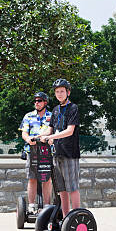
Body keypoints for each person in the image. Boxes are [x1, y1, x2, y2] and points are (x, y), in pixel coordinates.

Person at [40, 79, 81, 216]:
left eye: (62, 91)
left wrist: (50, 138)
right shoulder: (55, 110)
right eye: (57, 92)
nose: (59, 94)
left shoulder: (73, 108)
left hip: (70, 154)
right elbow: (50, 129)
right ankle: (66, 218)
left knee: (72, 188)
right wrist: (38, 136)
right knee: (61, 189)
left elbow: (70, 131)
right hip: (57, 154)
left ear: (67, 92)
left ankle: (76, 217)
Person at [20, 92, 53, 212]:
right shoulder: (28, 116)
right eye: (35, 101)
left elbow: (54, 131)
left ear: (45, 102)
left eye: (39, 101)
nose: (36, 103)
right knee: (32, 178)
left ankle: (47, 206)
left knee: (47, 178)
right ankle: (31, 206)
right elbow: (24, 132)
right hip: (32, 150)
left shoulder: (52, 116)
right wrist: (28, 139)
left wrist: (50, 138)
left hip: (47, 151)